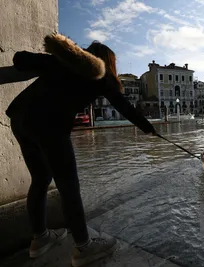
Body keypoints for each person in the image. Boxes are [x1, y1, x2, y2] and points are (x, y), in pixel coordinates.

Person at [5, 33, 157, 267]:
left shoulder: (63, 61)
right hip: (49, 124)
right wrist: (148, 129)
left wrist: (53, 56)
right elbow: (124, 106)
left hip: (20, 118)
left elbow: (20, 58)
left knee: (40, 179)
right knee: (69, 187)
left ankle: (40, 239)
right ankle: (84, 247)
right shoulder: (101, 75)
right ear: (108, 62)